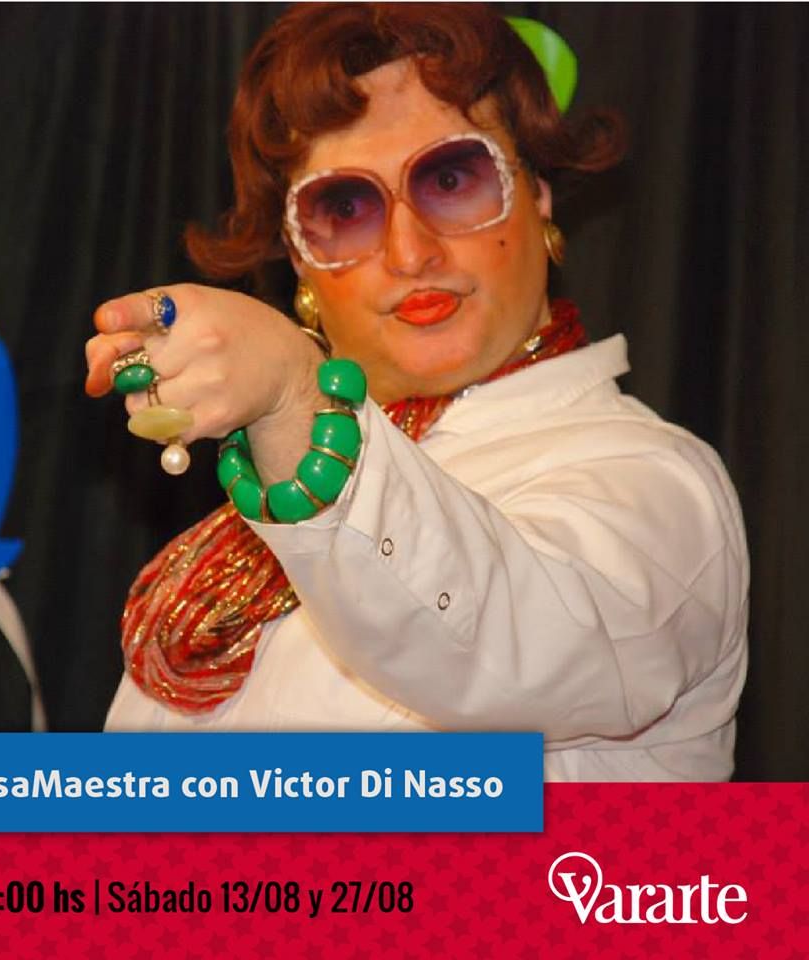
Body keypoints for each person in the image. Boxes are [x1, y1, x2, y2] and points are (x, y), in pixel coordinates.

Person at [84, 3, 748, 781]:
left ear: (537, 195)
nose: (410, 252)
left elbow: (507, 654)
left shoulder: (658, 484)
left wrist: (298, 396)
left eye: (452, 178)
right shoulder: (253, 523)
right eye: (345, 206)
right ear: (298, 262)